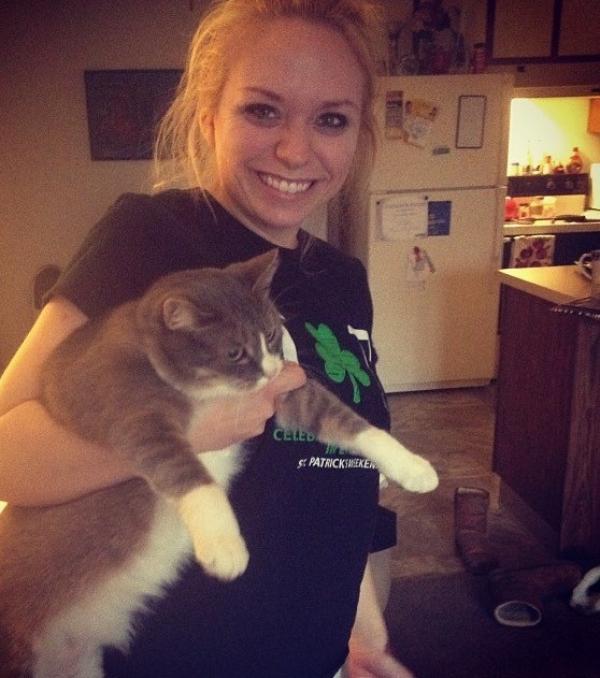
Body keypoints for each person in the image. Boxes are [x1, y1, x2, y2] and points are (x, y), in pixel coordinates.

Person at [0, 1, 414, 676]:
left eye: (331, 119)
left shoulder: (343, 279)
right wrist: (190, 427)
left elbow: (332, 477)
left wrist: (363, 635)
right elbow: (5, 453)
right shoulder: (148, 236)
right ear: (208, 115)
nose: (295, 150)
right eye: (263, 110)